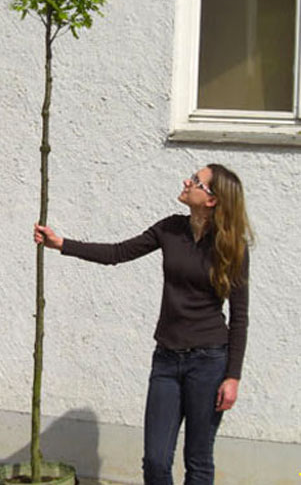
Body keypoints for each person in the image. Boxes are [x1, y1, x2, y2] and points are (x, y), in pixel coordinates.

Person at [34, 163, 252, 485]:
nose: (186, 181)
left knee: (198, 460)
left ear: (212, 200)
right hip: (166, 360)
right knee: (155, 461)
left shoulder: (233, 247)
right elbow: (118, 252)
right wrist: (62, 244)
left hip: (209, 362)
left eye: (195, 181)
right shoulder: (170, 229)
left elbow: (240, 317)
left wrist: (232, 376)